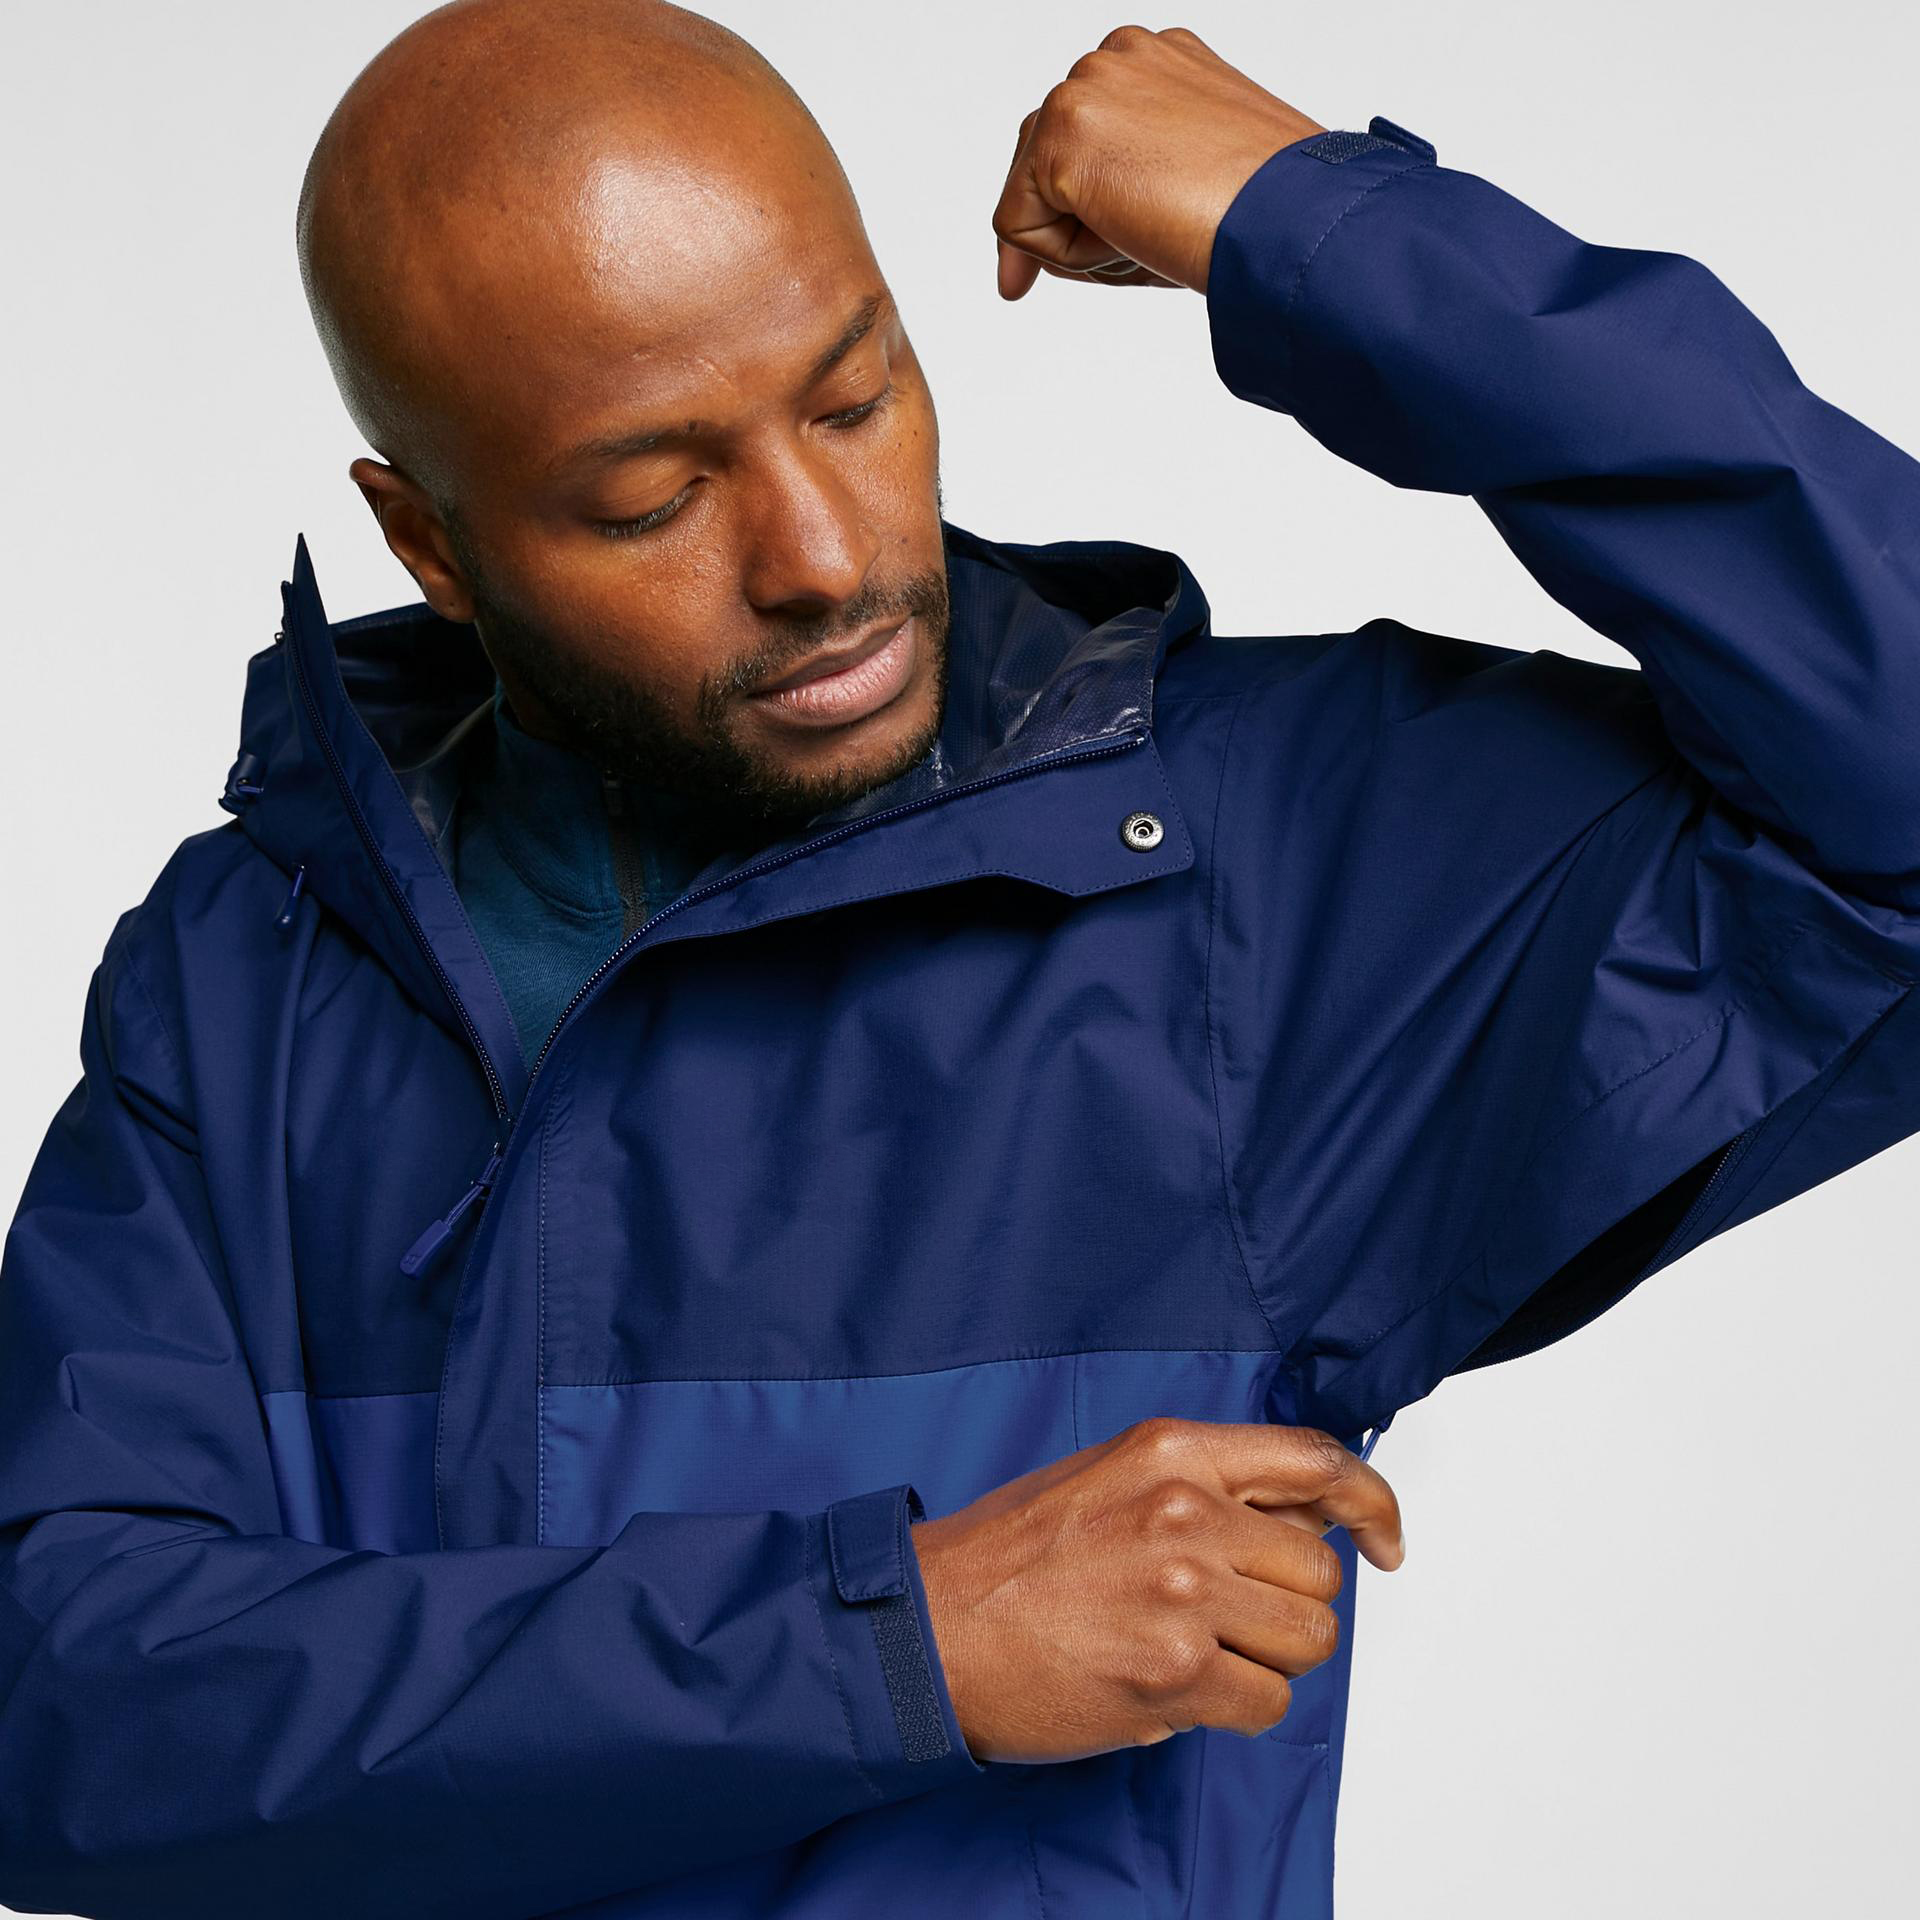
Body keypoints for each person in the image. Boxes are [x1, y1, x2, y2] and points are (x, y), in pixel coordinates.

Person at [1, 2, 1913, 1915]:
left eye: (854, 400)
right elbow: (52, 1714)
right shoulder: (243, 976)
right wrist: (895, 1644)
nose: (826, 559)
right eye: (655, 499)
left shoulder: (1244, 881)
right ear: (430, 543)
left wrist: (1328, 235)